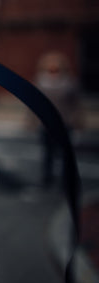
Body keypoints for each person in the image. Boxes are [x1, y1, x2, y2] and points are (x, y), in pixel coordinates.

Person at [33, 51, 81, 187]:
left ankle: (67, 179)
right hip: (46, 124)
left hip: (65, 122)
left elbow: (75, 105)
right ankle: (47, 178)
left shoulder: (69, 83)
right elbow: (34, 104)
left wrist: (76, 121)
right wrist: (33, 122)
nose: (53, 67)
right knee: (48, 153)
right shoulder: (41, 82)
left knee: (66, 154)